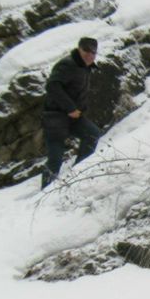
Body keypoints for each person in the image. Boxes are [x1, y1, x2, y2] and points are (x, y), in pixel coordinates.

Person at [40, 36, 102, 188]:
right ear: (79, 49)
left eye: (93, 52)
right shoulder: (68, 65)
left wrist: (78, 110)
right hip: (54, 117)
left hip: (73, 117)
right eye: (86, 51)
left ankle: (78, 175)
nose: (90, 55)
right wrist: (71, 108)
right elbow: (53, 86)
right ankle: (46, 191)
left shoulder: (85, 67)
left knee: (92, 133)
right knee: (56, 157)